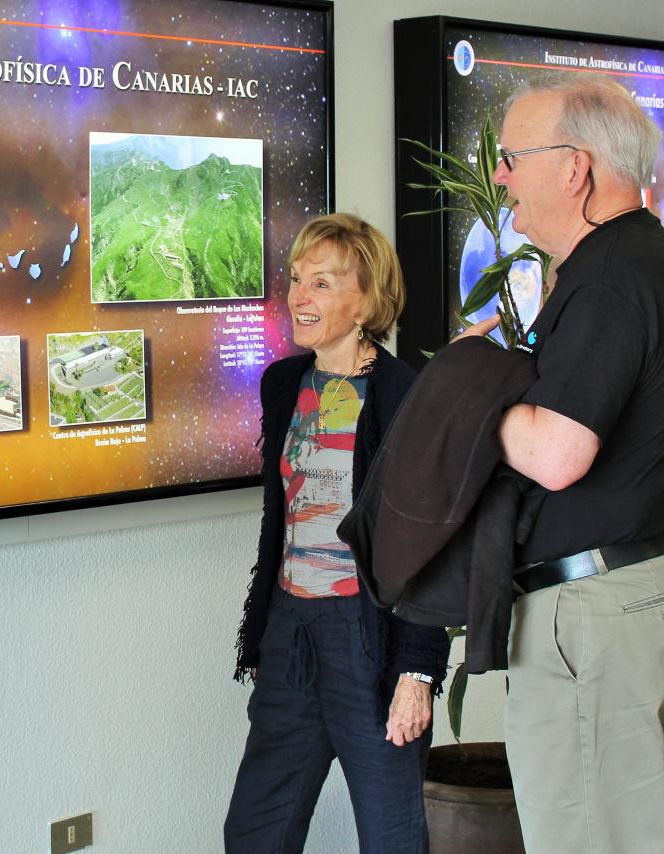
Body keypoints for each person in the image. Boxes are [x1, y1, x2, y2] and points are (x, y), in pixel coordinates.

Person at [476, 74, 664, 853]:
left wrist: (471, 395)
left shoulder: (611, 276)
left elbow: (555, 452)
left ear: (574, 169)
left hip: (594, 613)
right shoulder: (647, 260)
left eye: (511, 157)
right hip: (630, 593)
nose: (500, 176)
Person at [226, 213, 451, 853]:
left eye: (322, 283)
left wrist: (417, 673)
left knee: (390, 836)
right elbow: (285, 520)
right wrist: (270, 634)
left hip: (368, 638)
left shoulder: (405, 396)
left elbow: (427, 548)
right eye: (297, 279)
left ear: (368, 301)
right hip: (290, 630)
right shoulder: (282, 384)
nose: (299, 296)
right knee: (255, 832)